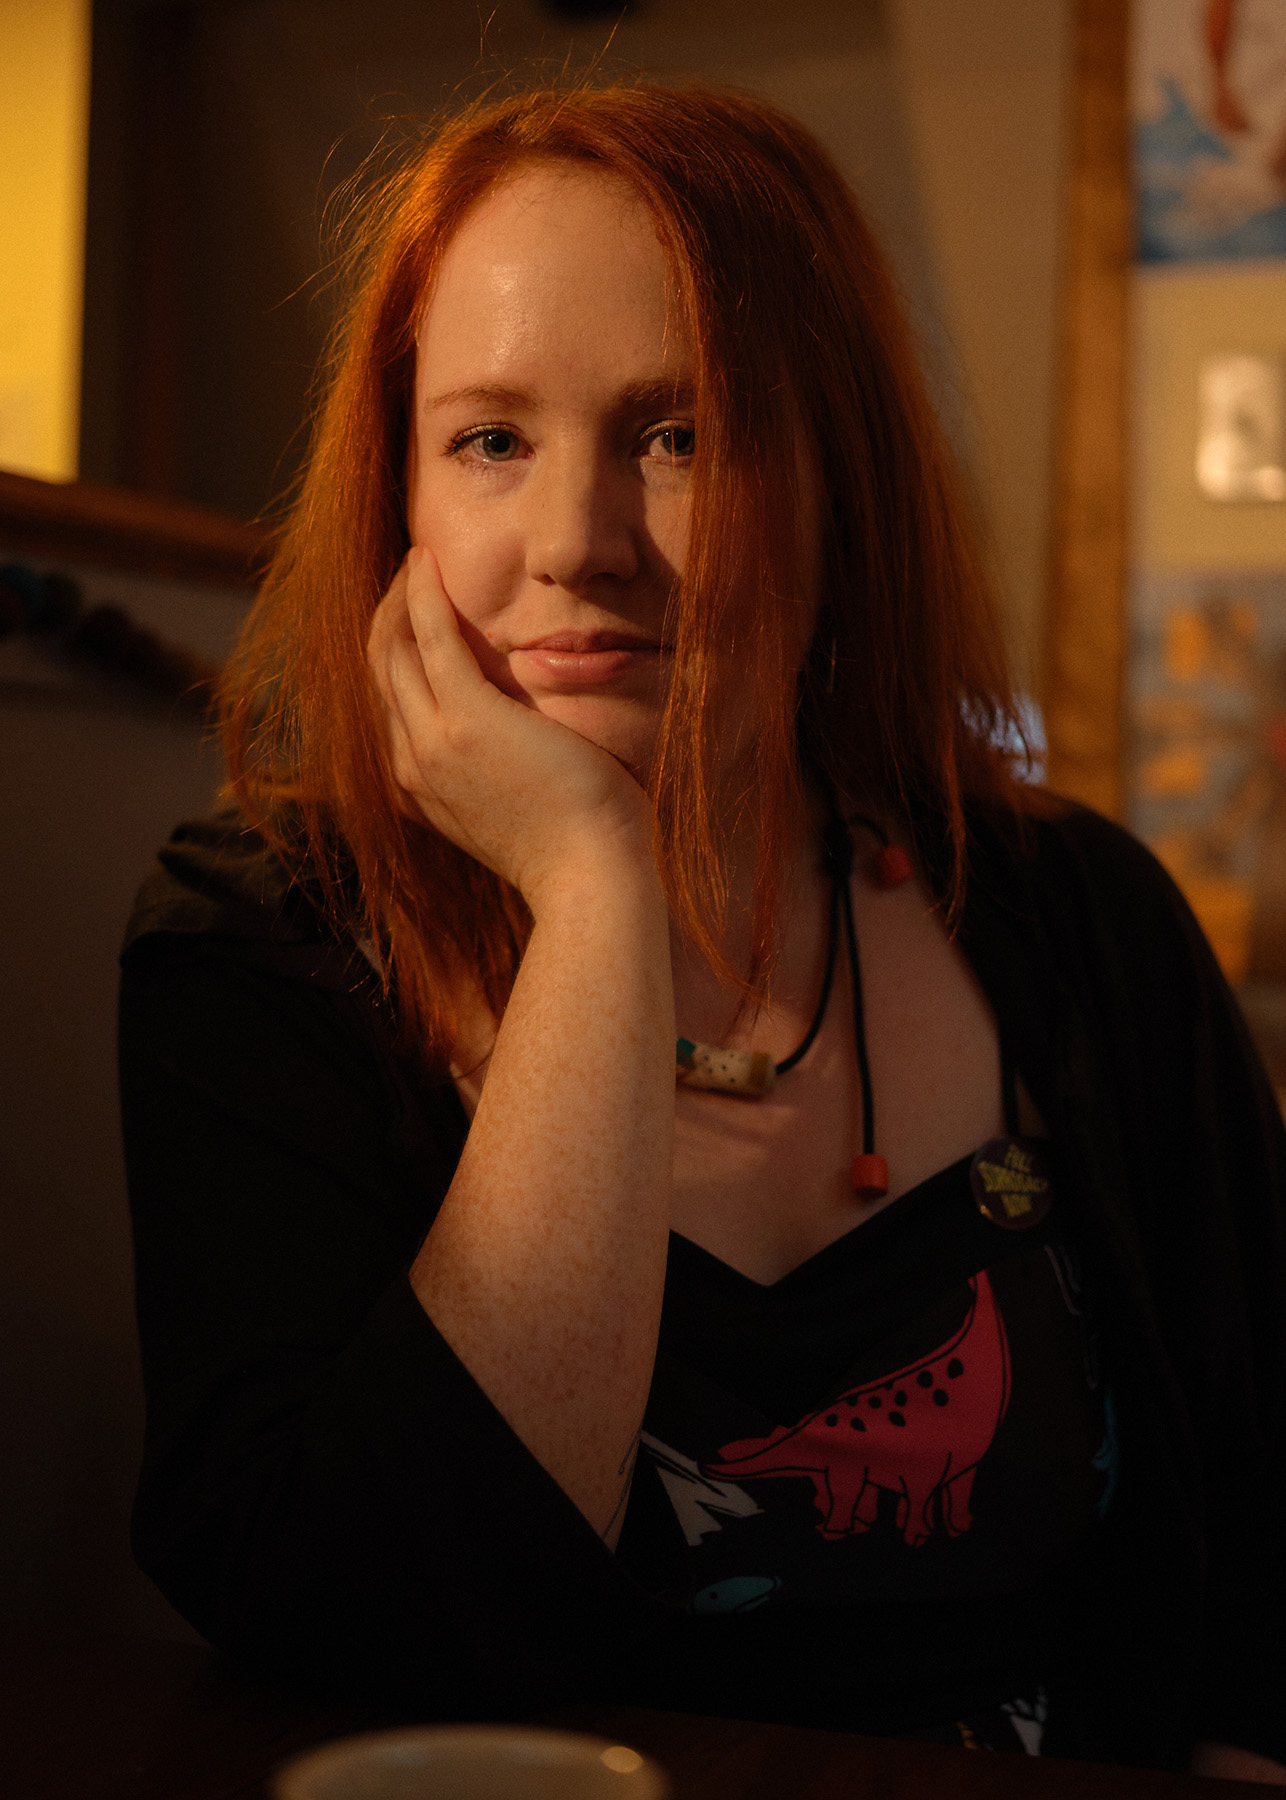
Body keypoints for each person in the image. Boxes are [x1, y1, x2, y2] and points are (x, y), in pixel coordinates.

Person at [118, 82, 1286, 1778]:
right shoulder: (260, 939)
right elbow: (379, 1615)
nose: (577, 545)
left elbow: (1263, 1551)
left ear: (837, 485)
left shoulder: (1073, 916)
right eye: (490, 439)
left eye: (681, 435)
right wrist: (595, 897)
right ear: (401, 494)